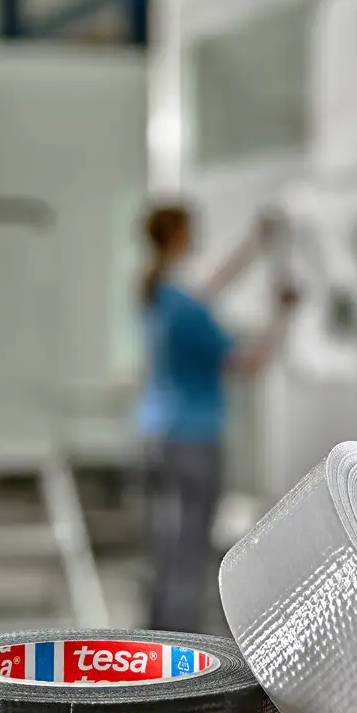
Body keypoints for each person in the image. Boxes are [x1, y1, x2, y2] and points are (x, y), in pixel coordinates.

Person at [136, 203, 294, 631]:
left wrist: (253, 246)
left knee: (165, 548)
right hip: (194, 439)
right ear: (178, 237)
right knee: (190, 551)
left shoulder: (158, 295)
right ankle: (180, 646)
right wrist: (282, 315)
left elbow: (210, 289)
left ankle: (153, 637)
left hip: (156, 434)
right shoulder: (189, 311)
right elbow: (249, 365)